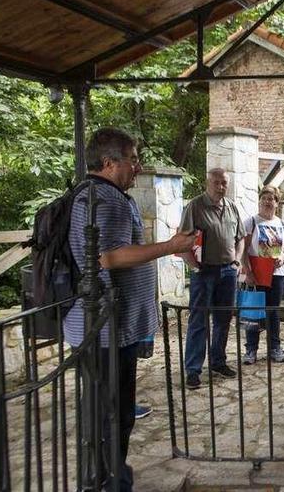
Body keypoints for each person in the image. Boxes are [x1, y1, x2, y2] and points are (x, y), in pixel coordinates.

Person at [64, 127, 196, 490]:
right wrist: (170, 246)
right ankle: (107, 480)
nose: (137, 167)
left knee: (107, 410)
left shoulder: (92, 194)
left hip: (104, 326)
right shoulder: (105, 199)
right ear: (109, 163)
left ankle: (107, 475)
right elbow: (108, 256)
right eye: (133, 159)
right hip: (106, 328)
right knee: (113, 414)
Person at [179, 168, 245, 389]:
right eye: (216, 182)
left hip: (227, 272)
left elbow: (240, 238)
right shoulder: (195, 207)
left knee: (223, 321)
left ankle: (218, 362)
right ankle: (193, 370)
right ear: (207, 183)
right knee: (198, 322)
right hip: (204, 272)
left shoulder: (232, 207)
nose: (220, 187)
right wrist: (193, 266)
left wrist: (237, 261)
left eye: (224, 183)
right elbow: (183, 238)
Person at [240, 185, 284, 364]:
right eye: (264, 198)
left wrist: (283, 257)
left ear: (277, 203)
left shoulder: (282, 224)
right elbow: (243, 249)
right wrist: (247, 272)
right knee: (253, 311)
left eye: (271, 199)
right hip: (256, 274)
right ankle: (251, 350)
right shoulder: (251, 222)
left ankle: (274, 348)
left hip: (277, 273)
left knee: (273, 312)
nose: (267, 202)